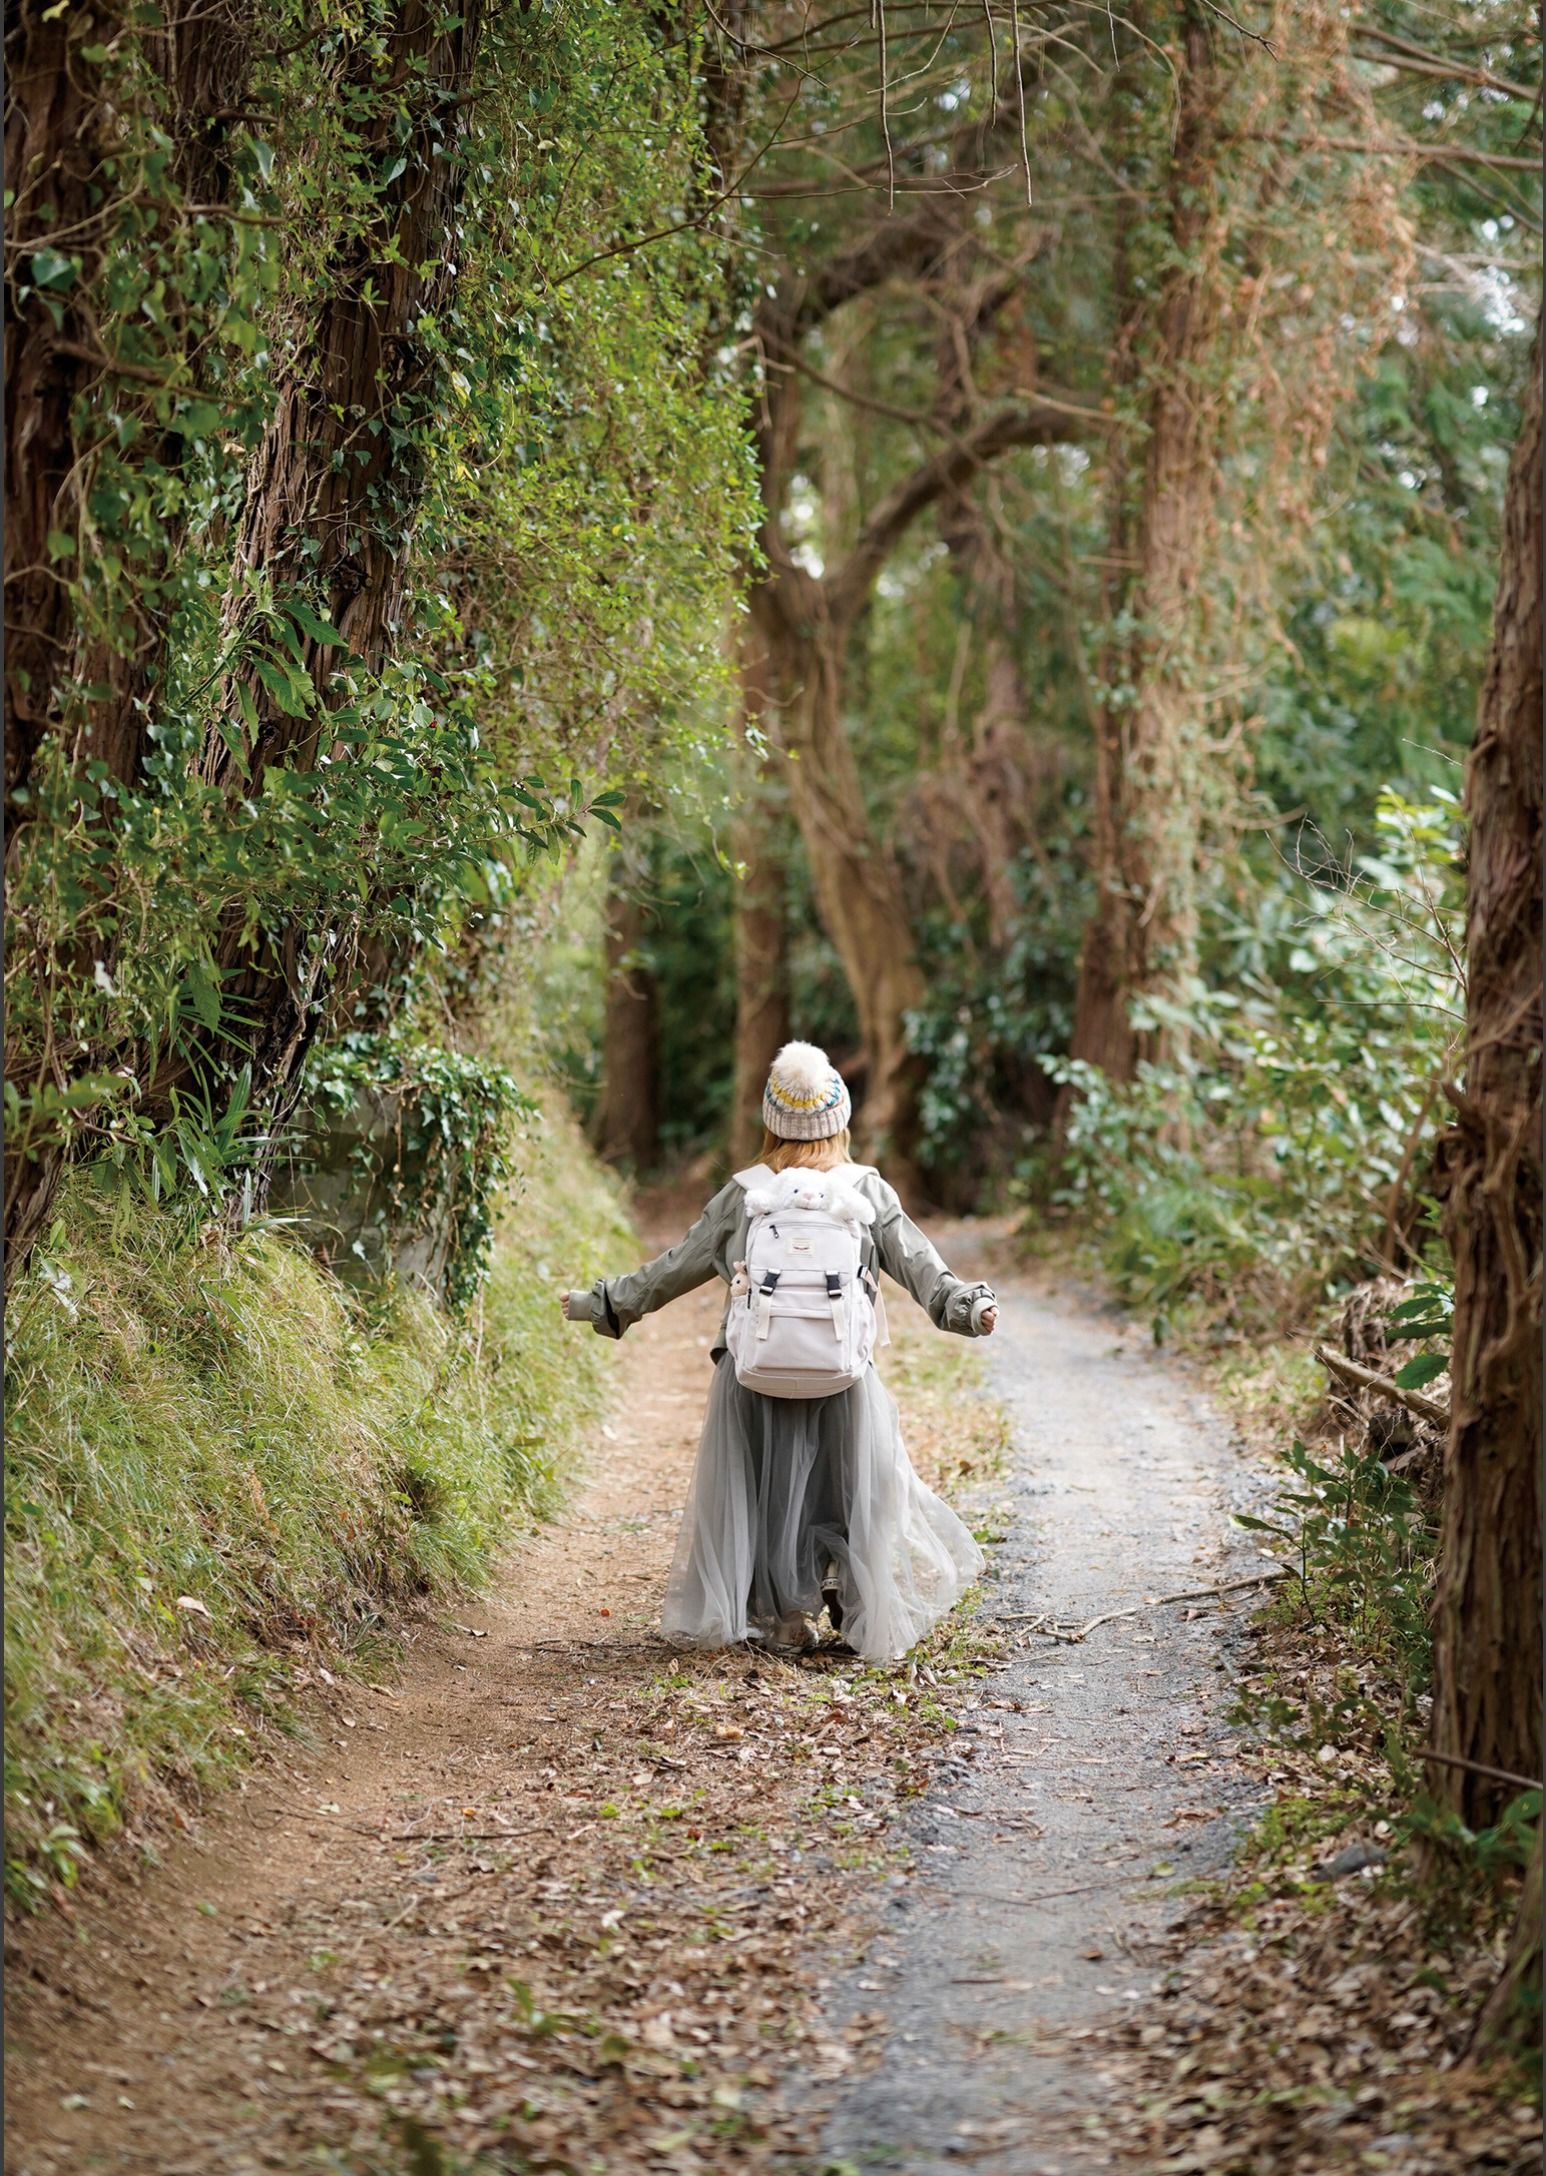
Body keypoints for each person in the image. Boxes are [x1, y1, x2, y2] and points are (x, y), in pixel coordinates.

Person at [561, 1041, 997, 1662]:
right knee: (849, 1489)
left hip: (754, 1371)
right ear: (839, 1119)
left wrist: (604, 1303)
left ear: (770, 1122)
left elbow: (675, 1267)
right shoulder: (864, 1191)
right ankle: (853, 1597)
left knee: (764, 1491)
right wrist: (967, 1307)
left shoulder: (745, 1194)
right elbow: (920, 1265)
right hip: (844, 1374)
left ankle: (783, 1617)